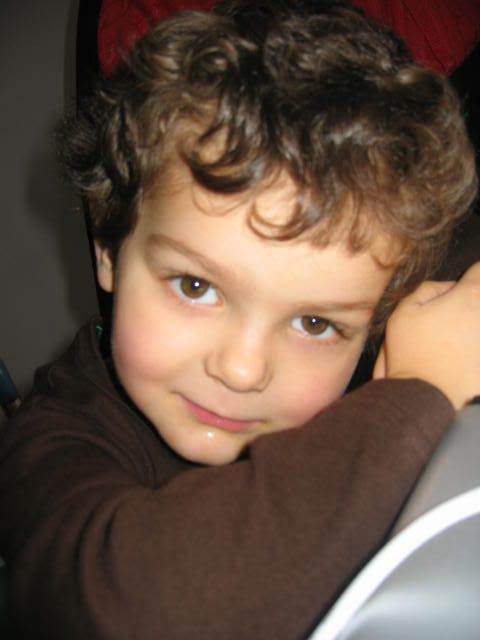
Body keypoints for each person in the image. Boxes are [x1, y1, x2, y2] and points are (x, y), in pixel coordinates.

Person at [0, 1, 479, 638]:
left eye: (315, 324)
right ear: (109, 251)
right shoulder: (49, 444)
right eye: (196, 286)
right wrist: (420, 396)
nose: (243, 370)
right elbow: (132, 612)